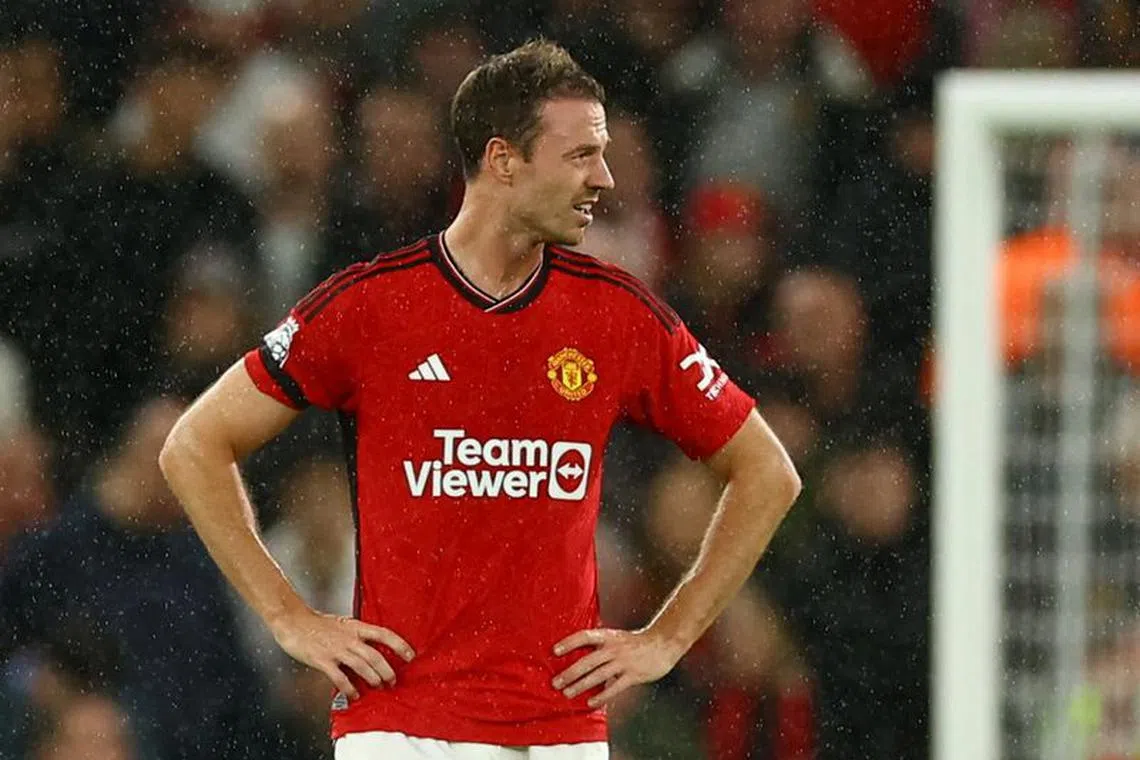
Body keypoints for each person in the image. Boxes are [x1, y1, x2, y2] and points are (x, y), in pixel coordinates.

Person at [159, 40, 801, 759]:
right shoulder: (373, 306)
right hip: (399, 730)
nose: (605, 178)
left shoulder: (619, 315)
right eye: (581, 155)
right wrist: (288, 617)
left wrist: (670, 637)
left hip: (558, 733)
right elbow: (193, 446)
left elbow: (768, 472)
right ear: (503, 160)